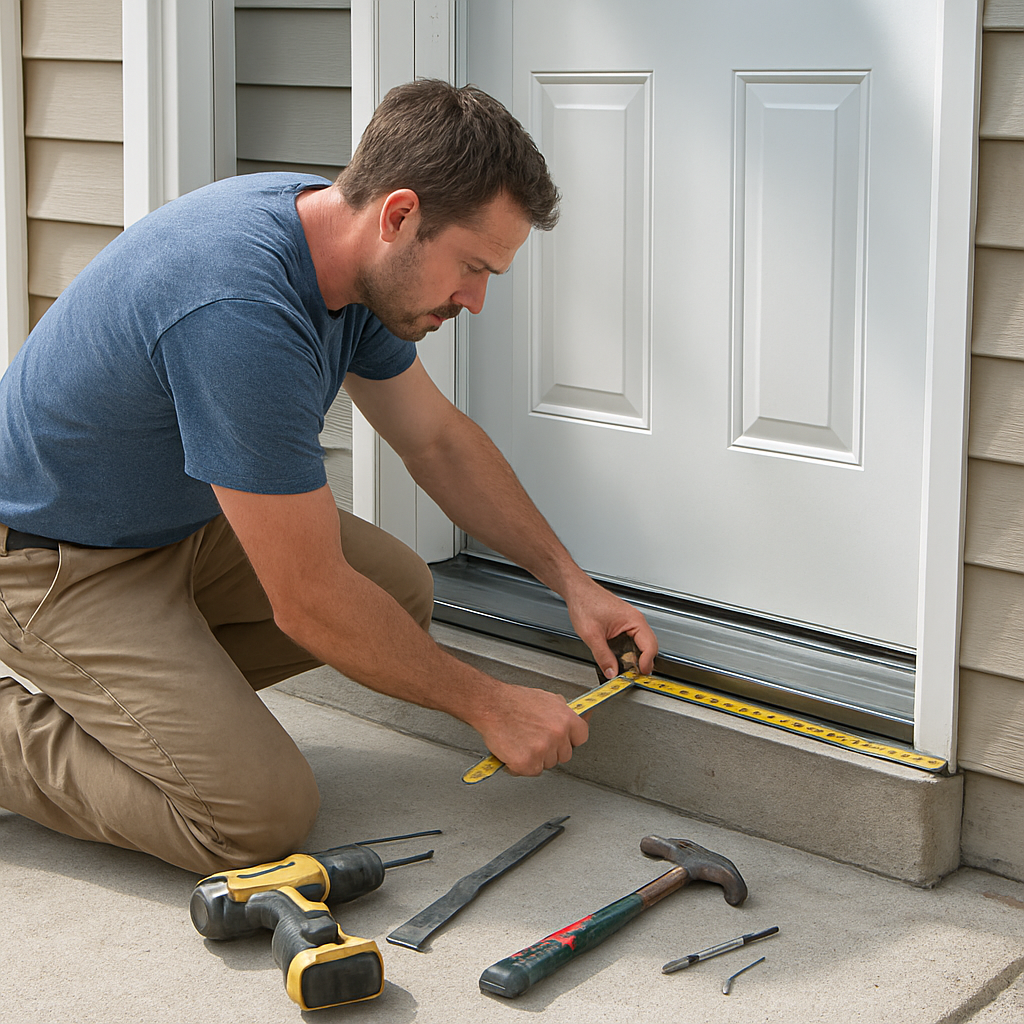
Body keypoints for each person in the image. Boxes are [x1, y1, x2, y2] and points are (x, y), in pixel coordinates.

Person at [0, 79, 657, 874]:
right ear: (400, 216)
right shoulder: (239, 307)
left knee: (399, 589)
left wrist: (571, 584)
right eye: (473, 268)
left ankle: (152, 717)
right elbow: (308, 601)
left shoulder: (345, 260)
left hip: (180, 521)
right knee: (256, 818)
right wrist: (489, 704)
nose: (475, 301)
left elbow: (438, 442)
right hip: (59, 561)